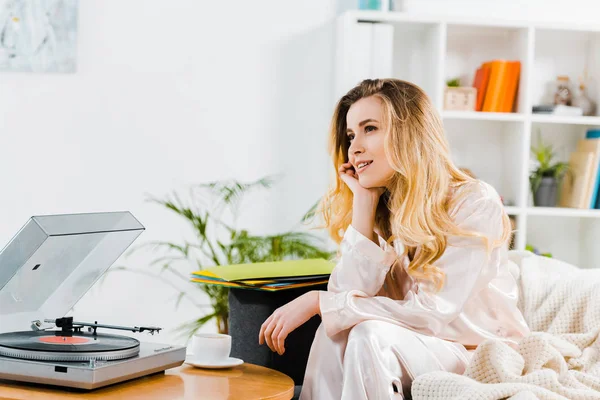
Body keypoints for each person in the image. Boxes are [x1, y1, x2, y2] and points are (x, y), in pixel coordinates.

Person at [258, 78, 530, 399]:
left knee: (367, 333)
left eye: (369, 128)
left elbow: (431, 314)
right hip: (415, 345)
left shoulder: (473, 201)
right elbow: (347, 296)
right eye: (350, 135)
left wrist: (318, 301)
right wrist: (364, 202)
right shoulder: (388, 208)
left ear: (409, 133)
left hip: (473, 351)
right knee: (339, 331)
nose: (355, 147)